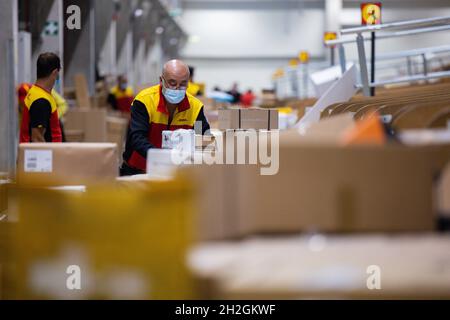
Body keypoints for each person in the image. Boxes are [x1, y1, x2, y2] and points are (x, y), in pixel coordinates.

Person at [120, 59, 210, 176]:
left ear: (188, 83)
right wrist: (163, 158)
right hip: (138, 171)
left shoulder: (195, 108)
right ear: (161, 81)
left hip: (175, 174)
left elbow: (203, 139)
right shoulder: (144, 101)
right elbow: (137, 138)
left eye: (183, 83)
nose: (177, 88)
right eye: (172, 82)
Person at [19, 52, 62, 143]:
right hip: (47, 156)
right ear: (55, 73)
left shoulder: (36, 92)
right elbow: (37, 139)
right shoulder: (41, 101)